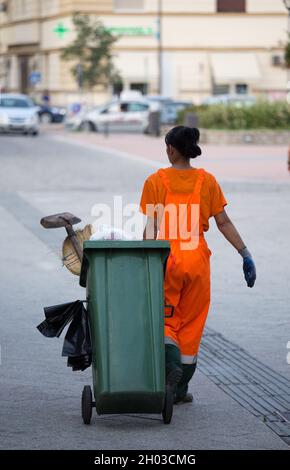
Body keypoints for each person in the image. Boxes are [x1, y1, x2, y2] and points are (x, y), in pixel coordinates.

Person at [139, 126, 256, 404]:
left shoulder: (156, 180)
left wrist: (145, 258)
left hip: (166, 257)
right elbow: (223, 222)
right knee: (192, 322)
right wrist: (245, 253)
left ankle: (171, 369)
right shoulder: (208, 181)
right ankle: (179, 390)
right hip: (197, 258)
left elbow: (152, 225)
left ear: (171, 149)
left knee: (165, 318)